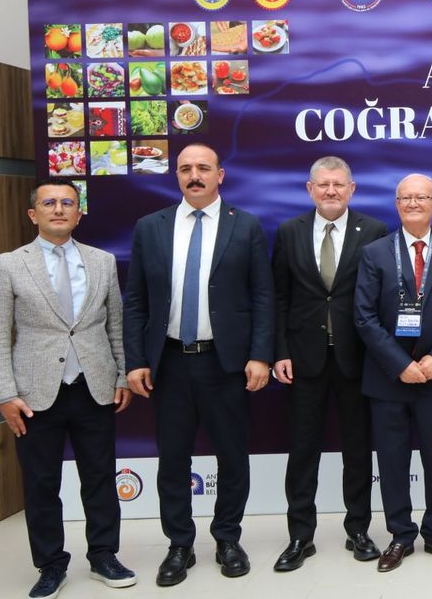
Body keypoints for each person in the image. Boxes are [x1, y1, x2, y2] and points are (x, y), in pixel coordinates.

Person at [123, 143, 274, 586]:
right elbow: (136, 300)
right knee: (172, 460)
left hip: (225, 364)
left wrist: (260, 354)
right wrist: (136, 359)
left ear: (219, 175)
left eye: (203, 168)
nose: (195, 175)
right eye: (186, 168)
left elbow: (263, 297)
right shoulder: (150, 227)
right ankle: (179, 544)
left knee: (232, 456)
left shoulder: (245, 225)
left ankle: (227, 538)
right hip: (169, 362)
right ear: (176, 175)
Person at [0, 180, 137, 599]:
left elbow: (116, 325)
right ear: (33, 214)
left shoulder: (102, 261)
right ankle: (50, 565)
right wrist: (5, 394)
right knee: (41, 484)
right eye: (49, 203)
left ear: (78, 214)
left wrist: (121, 375)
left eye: (67, 203)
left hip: (94, 387)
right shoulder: (9, 264)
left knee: (100, 478)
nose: (58, 209)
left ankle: (104, 555)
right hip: (33, 395)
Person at [270, 156, 388, 571]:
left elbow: (381, 299)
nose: (331, 191)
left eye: (339, 184)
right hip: (304, 360)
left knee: (358, 449)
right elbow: (279, 297)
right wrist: (279, 351)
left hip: (358, 359)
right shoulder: (289, 232)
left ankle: (359, 529)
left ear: (351, 189)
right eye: (323, 185)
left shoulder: (373, 231)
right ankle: (300, 536)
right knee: (303, 450)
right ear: (310, 189)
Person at [355, 173, 432, 571]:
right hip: (387, 378)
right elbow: (364, 317)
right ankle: (400, 536)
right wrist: (400, 364)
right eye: (405, 198)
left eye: (421, 197)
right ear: (396, 205)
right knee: (392, 462)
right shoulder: (374, 253)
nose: (413, 203)